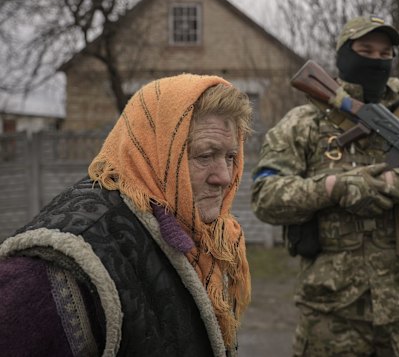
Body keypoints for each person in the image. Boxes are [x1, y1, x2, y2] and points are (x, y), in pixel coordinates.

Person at [251, 15, 399, 356]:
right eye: (365, 50)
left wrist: (395, 183)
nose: (375, 60)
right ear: (344, 56)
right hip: (331, 312)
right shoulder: (304, 124)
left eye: (385, 54)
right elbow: (265, 196)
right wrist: (334, 188)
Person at [0, 74, 253, 356]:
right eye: (205, 156)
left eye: (230, 157)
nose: (225, 176)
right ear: (153, 152)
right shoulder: (66, 263)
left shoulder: (209, 241)